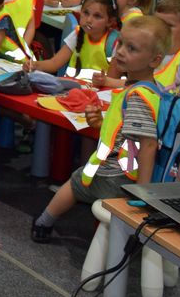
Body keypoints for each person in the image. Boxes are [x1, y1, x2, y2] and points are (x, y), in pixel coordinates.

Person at [31, 16, 172, 242]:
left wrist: (142, 192)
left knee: (76, 181)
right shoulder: (147, 88)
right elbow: (126, 131)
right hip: (123, 172)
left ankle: (43, 222)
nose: (121, 52)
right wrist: (99, 123)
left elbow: (148, 144)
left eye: (132, 48)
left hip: (116, 176)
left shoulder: (138, 96)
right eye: (121, 43)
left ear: (154, 60)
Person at [24, 0, 118, 77]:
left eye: (97, 16)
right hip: (72, 87)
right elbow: (54, 63)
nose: (89, 20)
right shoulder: (78, 34)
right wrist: (34, 65)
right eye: (86, 13)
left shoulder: (114, 42)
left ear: (110, 21)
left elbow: (111, 81)